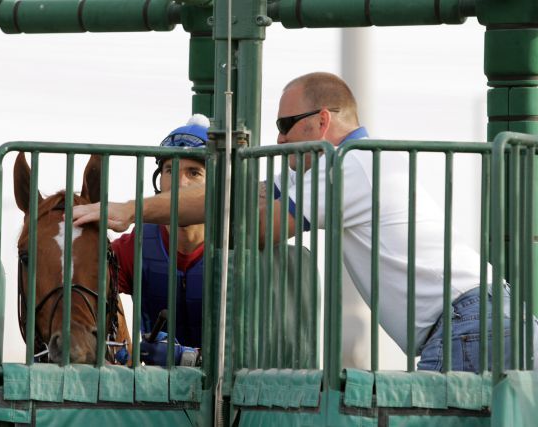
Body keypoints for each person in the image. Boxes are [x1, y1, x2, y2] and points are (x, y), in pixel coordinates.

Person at [74, 73, 515, 372]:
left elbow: (257, 227)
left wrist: (133, 210)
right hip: (474, 319)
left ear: (322, 121)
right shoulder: (322, 169)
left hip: (469, 323)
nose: (279, 139)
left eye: (286, 125)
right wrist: (131, 210)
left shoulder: (350, 167)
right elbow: (237, 198)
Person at [111, 114, 209, 366]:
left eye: (194, 172)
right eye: (170, 170)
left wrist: (188, 358)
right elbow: (86, 282)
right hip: (154, 393)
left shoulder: (241, 252)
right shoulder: (137, 245)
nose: (179, 182)